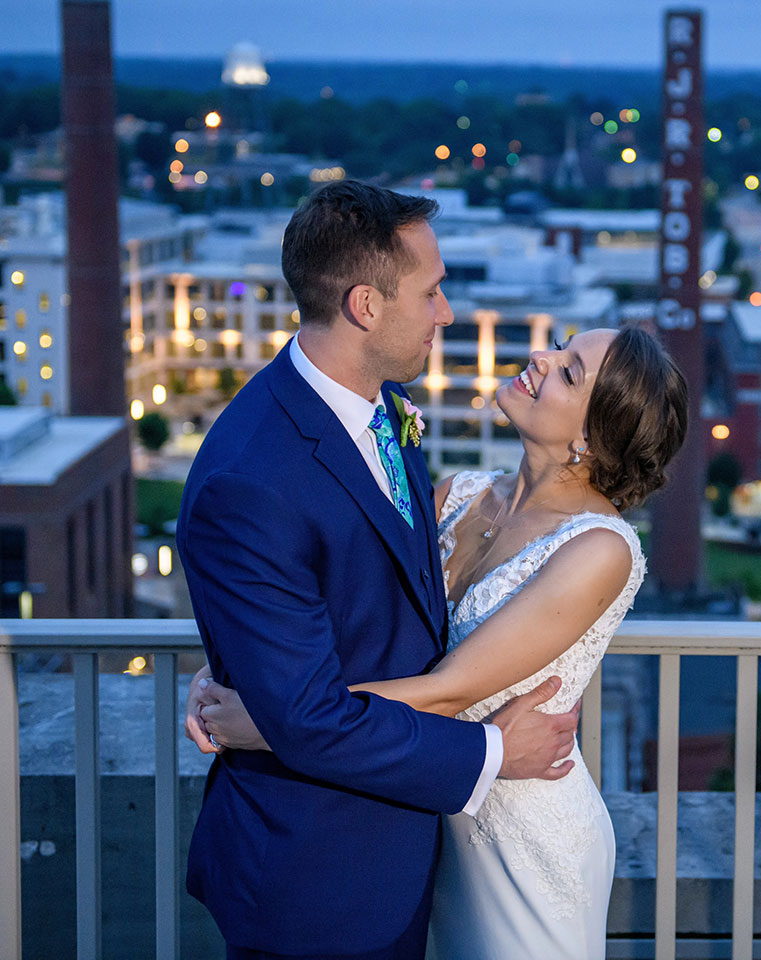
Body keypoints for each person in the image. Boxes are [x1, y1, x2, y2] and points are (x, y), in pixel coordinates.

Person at [175, 180, 583, 960]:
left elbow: (372, 607)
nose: (447, 313)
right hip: (316, 879)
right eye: (430, 293)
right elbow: (311, 721)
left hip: (399, 853)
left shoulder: (377, 407)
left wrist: (252, 668)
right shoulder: (250, 479)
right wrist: (496, 753)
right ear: (365, 305)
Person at [191, 321, 688, 959]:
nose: (540, 357)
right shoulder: (459, 494)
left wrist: (266, 720)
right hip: (424, 803)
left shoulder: (599, 549)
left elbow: (450, 690)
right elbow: (345, 601)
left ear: (591, 438)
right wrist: (235, 671)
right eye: (559, 347)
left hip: (522, 829)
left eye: (567, 371)